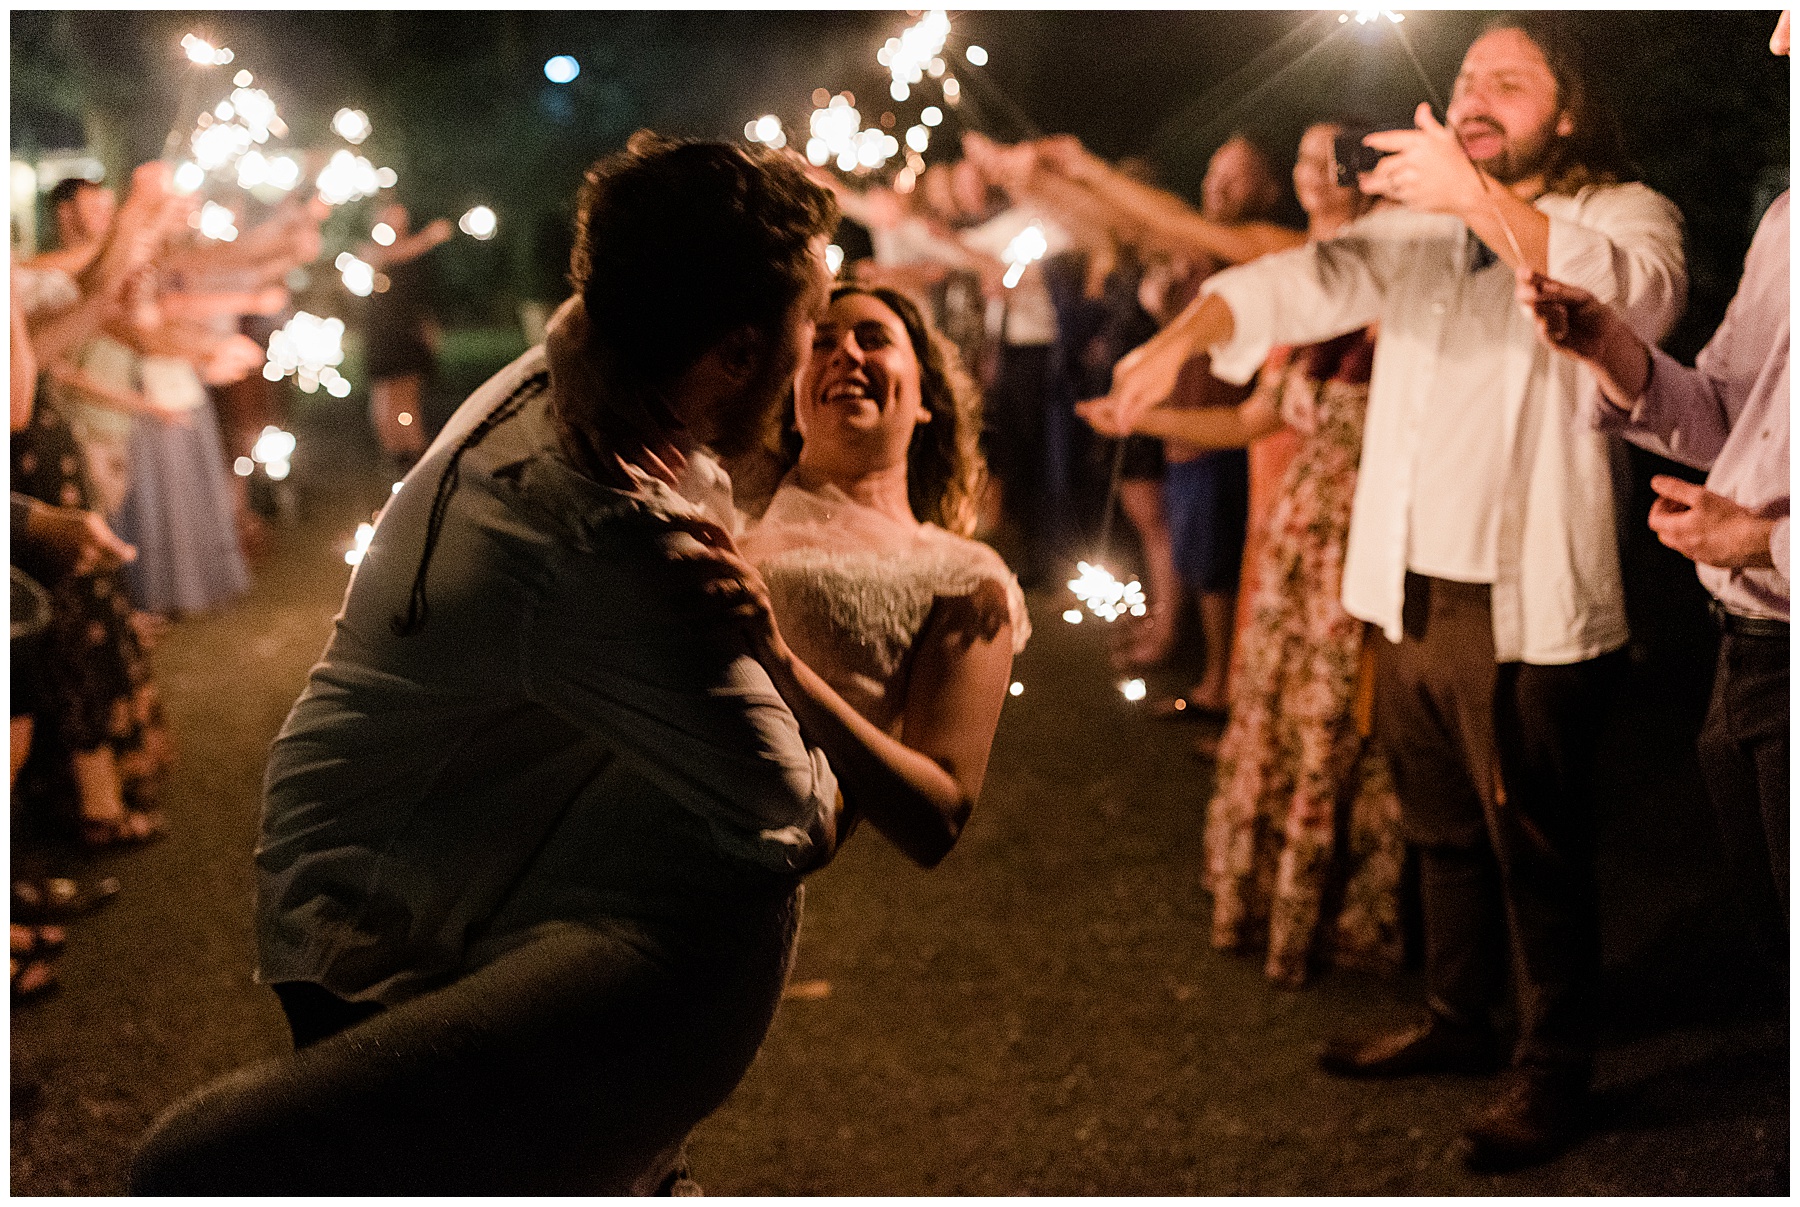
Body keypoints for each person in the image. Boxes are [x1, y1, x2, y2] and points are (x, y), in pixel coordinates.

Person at [128, 135, 847, 1196]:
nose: (819, 353)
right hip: (391, 919)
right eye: (810, 324)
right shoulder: (608, 535)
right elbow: (792, 815)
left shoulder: (583, 363)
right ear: (736, 352)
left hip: (434, 849)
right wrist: (783, 661)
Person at [1092, 16, 1686, 1171]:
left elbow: (1637, 296)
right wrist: (1181, 337)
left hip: (1526, 602)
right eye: (1467, 75)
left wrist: (1471, 196)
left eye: (1510, 81)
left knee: (1538, 843)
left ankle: (1556, 1068)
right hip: (1405, 585)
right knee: (1441, 830)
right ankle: (1463, 1020)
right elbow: (1307, 278)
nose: (1475, 93)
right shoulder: (1419, 227)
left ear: (1568, 111)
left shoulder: (1622, 211)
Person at [1080, 121, 1400, 989]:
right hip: (1296, 540)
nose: (1314, 175)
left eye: (1330, 161)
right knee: (1280, 716)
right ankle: (1273, 898)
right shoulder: (1300, 312)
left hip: (1363, 541)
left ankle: (1351, 909)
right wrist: (1138, 417)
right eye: (1301, 158)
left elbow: (1215, 244)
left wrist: (1083, 171)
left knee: (1343, 727)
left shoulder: (1387, 289)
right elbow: (1249, 419)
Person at [1516, 8, 1790, 981]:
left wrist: (1767, 542)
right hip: (1750, 655)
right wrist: (1610, 347)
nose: (1778, 43)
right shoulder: (1790, 218)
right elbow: (1721, 408)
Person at [737, 284, 1026, 863]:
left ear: (924, 397)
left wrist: (779, 662)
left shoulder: (962, 575)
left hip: (745, 854)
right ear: (790, 390)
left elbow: (937, 817)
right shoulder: (720, 497)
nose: (846, 353)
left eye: (874, 339)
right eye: (821, 343)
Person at [360, 202, 454, 475]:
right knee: (384, 396)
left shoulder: (411, 252)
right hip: (382, 333)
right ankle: (396, 456)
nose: (398, 221)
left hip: (406, 333)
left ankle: (414, 459)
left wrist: (428, 326)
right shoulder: (373, 250)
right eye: (391, 215)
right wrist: (429, 237)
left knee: (406, 397)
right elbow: (389, 255)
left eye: (402, 216)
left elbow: (418, 294)